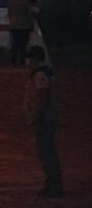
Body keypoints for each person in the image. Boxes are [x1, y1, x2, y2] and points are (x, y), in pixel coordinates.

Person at [24, 45, 63, 198]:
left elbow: (42, 96)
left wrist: (37, 117)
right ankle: (52, 185)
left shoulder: (40, 74)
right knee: (46, 152)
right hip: (46, 118)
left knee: (47, 153)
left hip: (45, 119)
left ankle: (54, 186)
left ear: (33, 59)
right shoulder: (44, 72)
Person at [8, 0, 35, 67]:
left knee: (15, 44)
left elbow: (9, 14)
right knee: (23, 45)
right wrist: (31, 24)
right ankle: (21, 62)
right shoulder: (24, 1)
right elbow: (29, 14)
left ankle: (13, 61)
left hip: (13, 25)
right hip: (23, 26)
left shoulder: (11, 1)